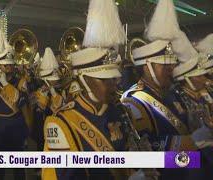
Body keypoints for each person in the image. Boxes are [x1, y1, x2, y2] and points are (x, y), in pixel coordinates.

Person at [42, 0, 149, 179]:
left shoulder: (120, 111)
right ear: (85, 80)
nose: (114, 84)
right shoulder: (61, 122)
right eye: (105, 80)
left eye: (114, 78)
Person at [121, 0, 213, 179]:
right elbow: (146, 150)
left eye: (171, 64)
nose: (172, 69)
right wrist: (194, 148)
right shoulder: (134, 100)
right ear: (148, 67)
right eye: (165, 65)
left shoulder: (170, 95)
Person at [0, 29, 31, 180]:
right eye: (5, 65)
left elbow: (19, 101)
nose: (8, 67)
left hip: (17, 128)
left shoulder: (20, 81)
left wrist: (4, 83)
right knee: (0, 169)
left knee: (19, 169)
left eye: (10, 65)